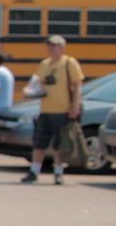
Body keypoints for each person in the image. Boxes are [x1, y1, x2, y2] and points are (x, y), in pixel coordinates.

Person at [23, 33, 85, 183]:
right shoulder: (44, 64)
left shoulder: (69, 63)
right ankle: (34, 170)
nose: (51, 49)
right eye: (49, 46)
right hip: (45, 109)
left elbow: (77, 85)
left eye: (54, 46)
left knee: (59, 144)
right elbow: (37, 82)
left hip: (62, 109)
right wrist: (29, 90)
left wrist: (74, 106)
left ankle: (58, 172)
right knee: (39, 142)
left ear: (62, 48)